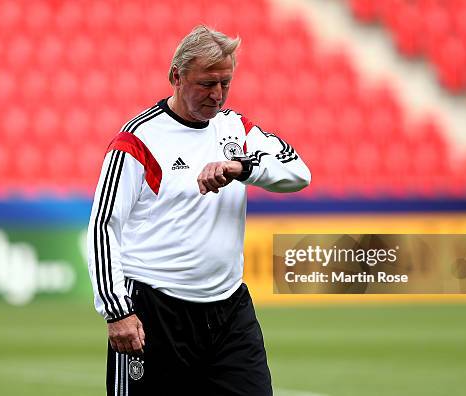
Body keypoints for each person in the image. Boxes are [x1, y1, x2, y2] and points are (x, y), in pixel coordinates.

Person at [87, 25, 311, 396]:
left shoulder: (236, 129)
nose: (217, 94)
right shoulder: (138, 140)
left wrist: (242, 167)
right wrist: (117, 310)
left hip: (228, 310)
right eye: (207, 83)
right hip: (156, 311)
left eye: (225, 83)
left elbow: (298, 172)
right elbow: (102, 226)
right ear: (176, 76)